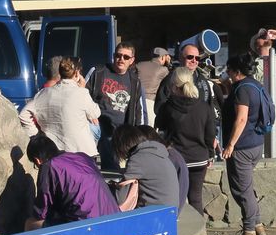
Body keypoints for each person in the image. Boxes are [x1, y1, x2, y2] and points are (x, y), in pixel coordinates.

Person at [221, 53, 273, 235]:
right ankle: (258, 226)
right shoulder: (254, 84)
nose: (227, 73)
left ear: (237, 71)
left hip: (242, 147)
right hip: (256, 143)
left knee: (242, 191)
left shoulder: (242, 90)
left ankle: (249, 233)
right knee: (247, 188)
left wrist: (230, 145)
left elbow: (242, 119)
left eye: (228, 69)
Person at [24, 134, 118, 230]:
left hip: (85, 225)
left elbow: (41, 211)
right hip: (113, 217)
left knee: (30, 224)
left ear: (38, 160)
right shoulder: (82, 157)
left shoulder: (49, 166)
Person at [157, 66, 217, 213]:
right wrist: (210, 155)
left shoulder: (168, 107)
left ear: (173, 85)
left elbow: (160, 128)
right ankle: (200, 227)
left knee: (176, 198)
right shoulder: (204, 107)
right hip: (199, 158)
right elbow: (210, 135)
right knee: (196, 198)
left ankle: (177, 226)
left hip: (176, 159)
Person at [19, 57, 101, 158]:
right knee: (95, 128)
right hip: (81, 151)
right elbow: (95, 113)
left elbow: (23, 115)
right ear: (77, 73)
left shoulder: (43, 93)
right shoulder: (81, 93)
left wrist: (37, 135)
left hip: (54, 151)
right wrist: (83, 88)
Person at [86, 41, 146, 169]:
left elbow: (139, 109)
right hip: (97, 125)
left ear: (132, 60)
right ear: (114, 56)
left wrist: (139, 131)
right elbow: (82, 96)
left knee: (115, 165)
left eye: (126, 57)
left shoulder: (135, 81)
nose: (121, 59)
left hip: (120, 130)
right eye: (118, 55)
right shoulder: (98, 72)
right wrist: (90, 115)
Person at [111, 124, 180, 212]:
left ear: (122, 147)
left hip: (153, 214)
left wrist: (110, 189)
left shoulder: (138, 158)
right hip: (170, 213)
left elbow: (120, 199)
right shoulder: (158, 153)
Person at [136, 47, 172, 126]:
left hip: (136, 99)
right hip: (150, 102)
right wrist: (169, 63)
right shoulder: (164, 70)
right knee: (149, 129)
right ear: (163, 57)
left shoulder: (139, 65)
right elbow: (171, 79)